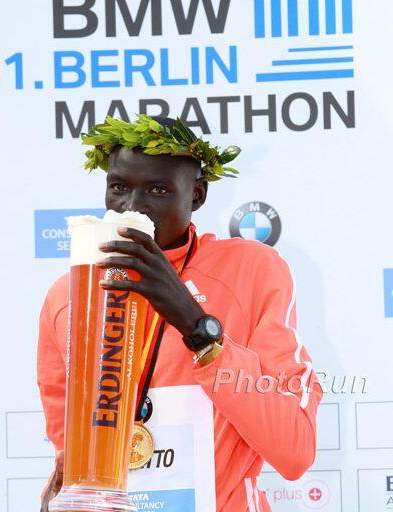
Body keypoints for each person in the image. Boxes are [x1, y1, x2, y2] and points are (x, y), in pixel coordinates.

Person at [37, 114, 323, 512]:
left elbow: (295, 450)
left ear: (197, 195)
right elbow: (70, 460)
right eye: (119, 187)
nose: (132, 208)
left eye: (158, 190)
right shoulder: (69, 295)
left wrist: (195, 325)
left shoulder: (251, 270)